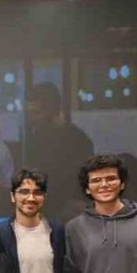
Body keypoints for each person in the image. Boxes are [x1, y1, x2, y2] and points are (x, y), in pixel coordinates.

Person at [22, 83, 94, 222]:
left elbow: (84, 181)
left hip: (69, 208)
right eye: (29, 113)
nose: (31, 119)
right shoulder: (35, 138)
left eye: (36, 113)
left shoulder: (79, 140)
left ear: (52, 110)